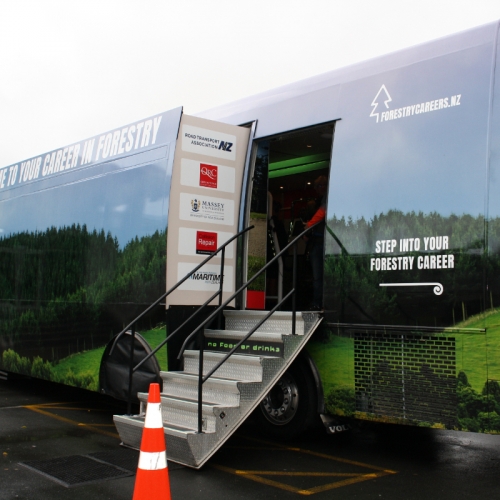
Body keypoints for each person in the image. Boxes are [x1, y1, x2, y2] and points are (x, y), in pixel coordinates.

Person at [305, 175, 328, 310]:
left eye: (321, 186)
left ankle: (320, 303)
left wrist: (309, 226)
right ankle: (317, 302)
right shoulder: (316, 201)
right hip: (316, 241)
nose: (319, 189)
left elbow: (322, 213)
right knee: (317, 277)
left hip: (324, 242)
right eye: (317, 187)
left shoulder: (327, 198)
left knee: (320, 276)